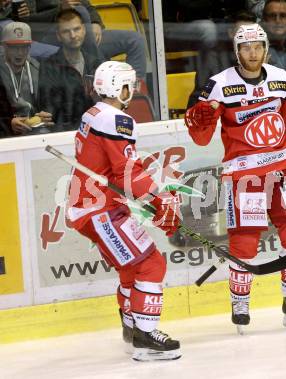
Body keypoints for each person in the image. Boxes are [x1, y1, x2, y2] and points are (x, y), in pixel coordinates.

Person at [184, 23, 286, 331]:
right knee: (244, 241)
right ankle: (240, 303)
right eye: (245, 48)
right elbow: (200, 138)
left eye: (257, 47)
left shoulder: (280, 79)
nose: (252, 53)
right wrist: (200, 117)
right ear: (236, 51)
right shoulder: (217, 85)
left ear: (266, 48)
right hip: (243, 175)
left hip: (283, 170)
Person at [67, 60, 182, 361]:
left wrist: (154, 203)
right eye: (131, 84)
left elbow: (116, 172)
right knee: (151, 264)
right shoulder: (117, 119)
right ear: (120, 87)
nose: (135, 90)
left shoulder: (94, 113)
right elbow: (127, 173)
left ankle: (132, 327)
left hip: (96, 207)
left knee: (132, 267)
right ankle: (145, 337)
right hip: (99, 210)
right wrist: (161, 201)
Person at [25, 0, 148, 79]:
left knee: (134, 39)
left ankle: (134, 93)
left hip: (83, 34)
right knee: (80, 11)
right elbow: (28, 22)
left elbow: (88, 7)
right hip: (50, 35)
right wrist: (59, 10)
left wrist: (95, 23)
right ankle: (95, 72)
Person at [39, 8, 102, 130]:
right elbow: (51, 112)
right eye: (66, 31)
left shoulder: (96, 64)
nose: (73, 35)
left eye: (76, 29)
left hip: (96, 131)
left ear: (84, 30)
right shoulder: (49, 66)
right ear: (58, 36)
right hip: (66, 134)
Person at [187, 9, 257, 108]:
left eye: (251, 34)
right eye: (241, 34)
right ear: (230, 33)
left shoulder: (261, 59)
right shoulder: (213, 61)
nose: (246, 39)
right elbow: (198, 100)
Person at [0, 21, 54, 135]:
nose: (19, 53)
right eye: (14, 47)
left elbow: (50, 102)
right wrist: (8, 122)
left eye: (24, 47)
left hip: (34, 129)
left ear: (30, 47)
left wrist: (46, 113)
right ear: (4, 47)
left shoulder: (39, 69)